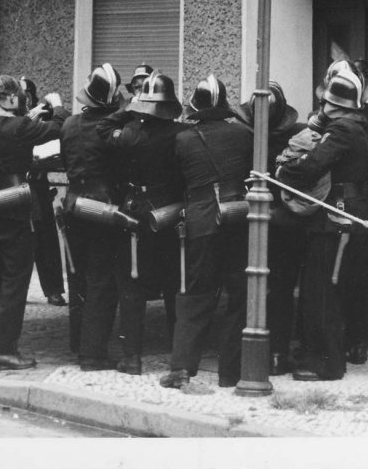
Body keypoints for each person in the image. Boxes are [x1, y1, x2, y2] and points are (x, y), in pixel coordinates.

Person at [277, 68, 368, 381]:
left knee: (321, 290)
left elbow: (314, 164)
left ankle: (325, 363)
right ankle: (324, 356)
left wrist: (287, 168)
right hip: (344, 211)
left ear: (334, 105)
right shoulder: (357, 124)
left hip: (335, 215)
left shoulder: (342, 128)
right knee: (330, 289)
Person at [161, 75, 252, 391]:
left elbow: (176, 182)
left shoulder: (184, 139)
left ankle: (182, 368)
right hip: (237, 218)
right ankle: (231, 372)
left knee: (195, 295)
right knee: (236, 296)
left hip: (201, 221)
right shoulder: (243, 135)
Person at [0, 74, 68, 370]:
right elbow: (57, 128)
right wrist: (57, 106)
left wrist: (27, 117)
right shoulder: (21, 126)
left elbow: (9, 130)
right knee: (16, 281)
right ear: (13, 98)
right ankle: (2, 351)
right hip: (16, 206)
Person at [99, 70, 184, 375]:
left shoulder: (130, 133)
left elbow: (103, 128)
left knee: (131, 286)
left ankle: (132, 357)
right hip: (170, 214)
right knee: (175, 284)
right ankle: (178, 354)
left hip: (134, 213)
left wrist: (129, 107)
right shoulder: (180, 134)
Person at [235, 80, 303, 374]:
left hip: (251, 221)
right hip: (284, 221)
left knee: (252, 286)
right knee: (282, 289)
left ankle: (255, 352)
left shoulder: (241, 137)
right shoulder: (297, 137)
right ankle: (276, 352)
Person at [60, 63, 124, 370]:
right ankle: (93, 354)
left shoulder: (70, 125)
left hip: (73, 204)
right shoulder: (110, 129)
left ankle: (78, 343)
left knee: (79, 278)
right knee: (102, 282)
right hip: (102, 208)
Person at [21, 77, 67, 306]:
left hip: (38, 184)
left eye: (28, 92)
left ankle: (53, 290)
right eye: (21, 93)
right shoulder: (13, 121)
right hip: (18, 185)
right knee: (20, 239)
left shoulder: (43, 117)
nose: (25, 97)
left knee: (46, 238)